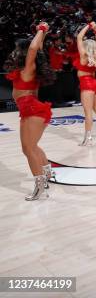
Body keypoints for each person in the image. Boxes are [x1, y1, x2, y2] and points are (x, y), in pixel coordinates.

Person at [4, 23, 56, 200]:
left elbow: (34, 48)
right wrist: (43, 34)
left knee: (28, 149)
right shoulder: (28, 67)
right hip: (33, 110)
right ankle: (48, 174)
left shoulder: (28, 67)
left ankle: (40, 187)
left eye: (17, 49)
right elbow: (37, 48)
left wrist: (41, 29)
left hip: (32, 110)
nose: (14, 51)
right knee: (32, 147)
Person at [75, 22, 96, 146]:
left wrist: (89, 25)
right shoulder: (95, 54)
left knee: (88, 112)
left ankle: (88, 138)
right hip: (95, 83)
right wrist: (95, 31)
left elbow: (79, 37)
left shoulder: (83, 55)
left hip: (87, 84)